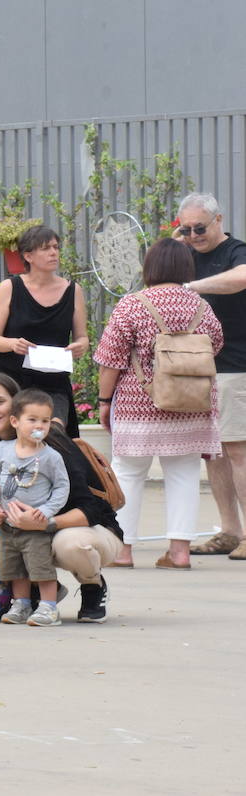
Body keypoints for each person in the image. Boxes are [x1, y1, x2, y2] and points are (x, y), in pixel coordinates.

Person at [94, 237, 223, 569]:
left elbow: (111, 360)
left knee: (129, 473)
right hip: (192, 404)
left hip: (139, 405)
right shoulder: (201, 306)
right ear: (185, 268)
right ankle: (179, 552)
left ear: (149, 266)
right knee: (183, 473)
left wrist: (104, 400)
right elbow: (216, 345)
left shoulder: (132, 304)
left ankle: (122, 551)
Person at [0, 373, 122, 623]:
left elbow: (93, 508)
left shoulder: (51, 445)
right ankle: (38, 592)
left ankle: (93, 586)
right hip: (23, 530)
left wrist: (45, 522)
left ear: (17, 406)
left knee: (71, 544)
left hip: (85, 529)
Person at [178, 193, 246, 559]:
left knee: (238, 450)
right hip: (196, 367)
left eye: (199, 227)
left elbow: (242, 278)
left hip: (236, 365)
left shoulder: (237, 251)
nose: (193, 235)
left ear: (218, 220)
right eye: (186, 229)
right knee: (214, 454)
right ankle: (229, 530)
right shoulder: (184, 254)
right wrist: (173, 248)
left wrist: (191, 286)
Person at [0, 224, 90, 435]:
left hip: (54, 381)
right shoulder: (10, 288)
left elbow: (82, 337)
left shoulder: (73, 291)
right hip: (13, 382)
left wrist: (80, 346)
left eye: (56, 247)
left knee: (55, 438)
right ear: (28, 256)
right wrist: (12, 343)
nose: (53, 252)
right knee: (12, 443)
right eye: (45, 248)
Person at [0, 389, 71, 626]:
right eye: (32, 420)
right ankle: (21, 604)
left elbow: (62, 487)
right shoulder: (4, 449)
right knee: (14, 568)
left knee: (40, 567)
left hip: (35, 525)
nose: (39, 426)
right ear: (15, 421)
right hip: (8, 524)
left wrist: (47, 511)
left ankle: (49, 608)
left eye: (45, 421)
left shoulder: (51, 457)